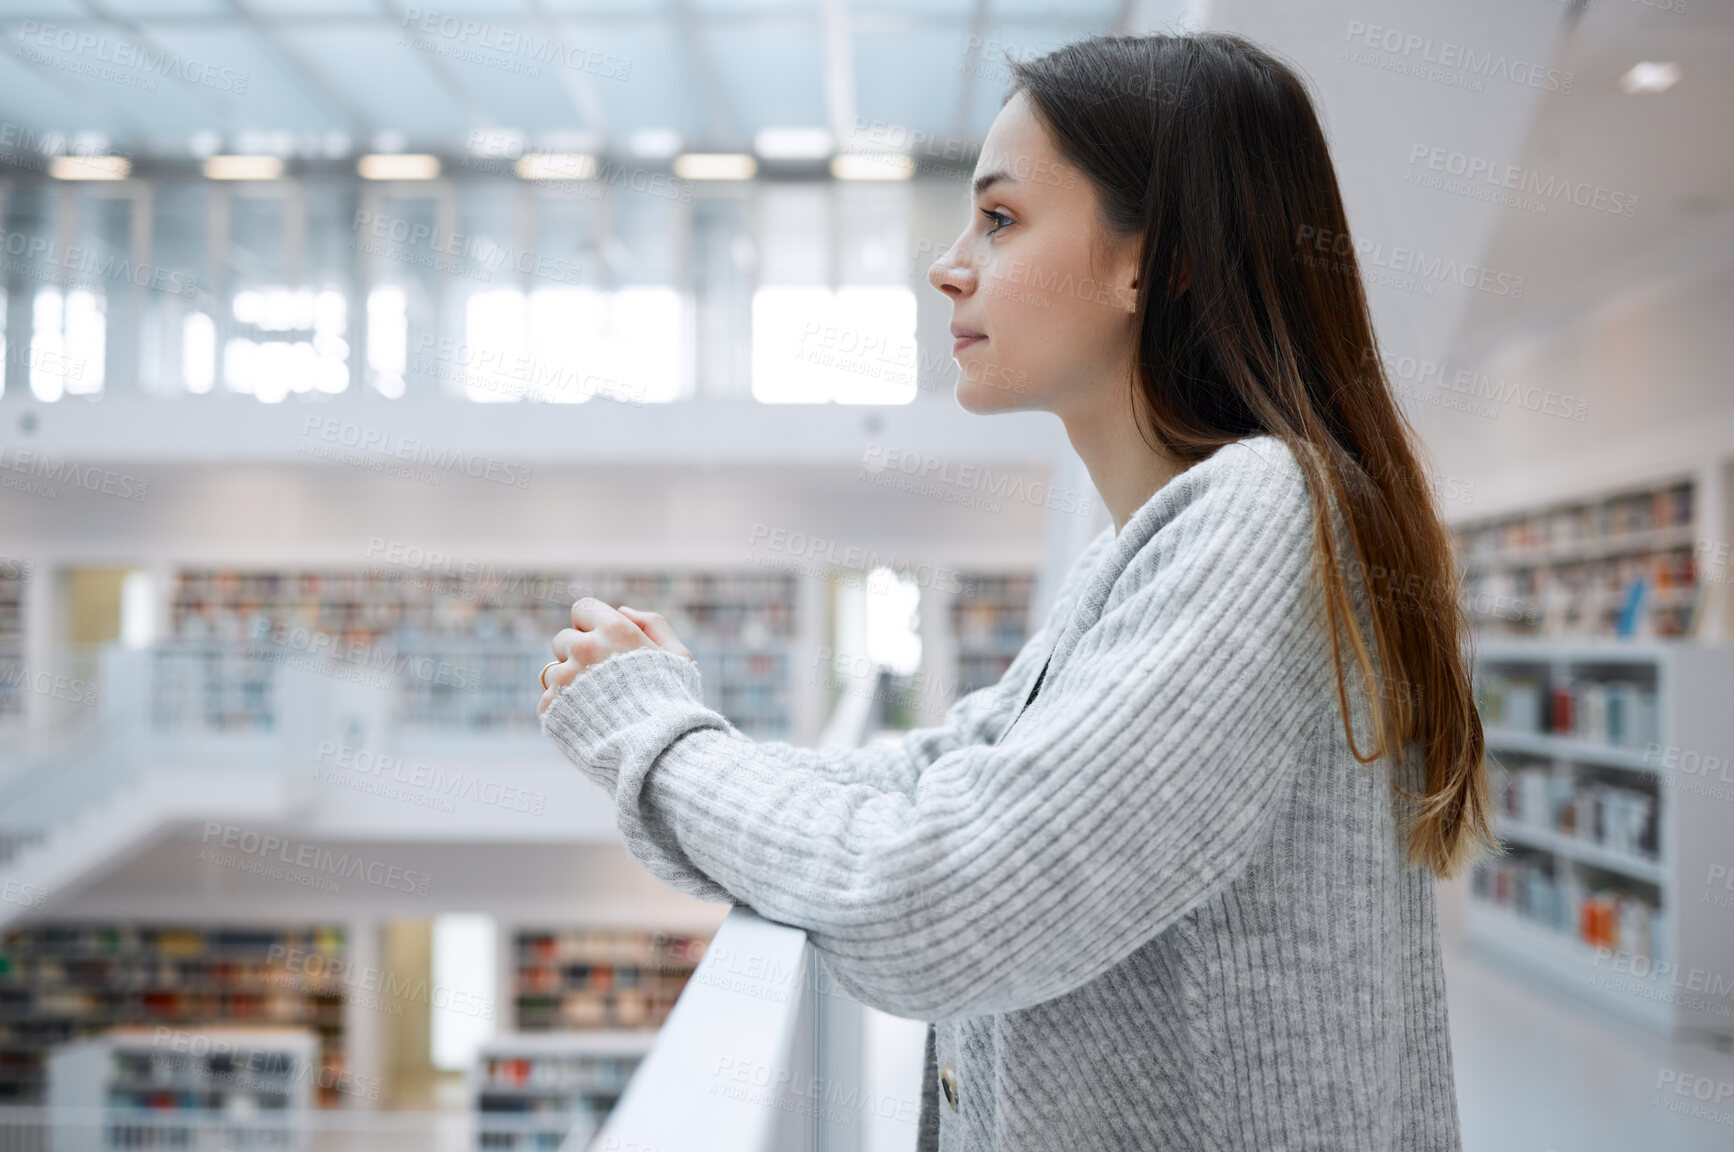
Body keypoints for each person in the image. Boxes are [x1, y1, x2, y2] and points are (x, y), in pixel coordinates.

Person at [538, 30, 1491, 1152]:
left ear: (1157, 258)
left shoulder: (1260, 516)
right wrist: (666, 726)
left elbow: (945, 905)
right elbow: (925, 780)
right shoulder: (1158, 544)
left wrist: (656, 736)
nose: (949, 266)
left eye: (1000, 220)